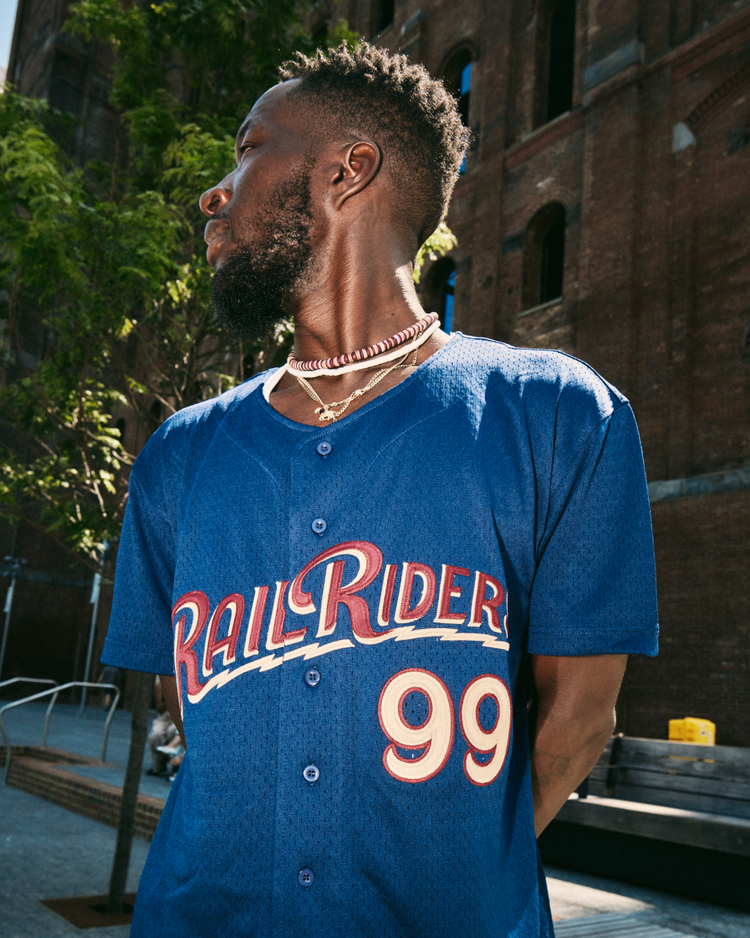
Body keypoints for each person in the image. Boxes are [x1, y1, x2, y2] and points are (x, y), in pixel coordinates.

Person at [101, 43, 658, 938]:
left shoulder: (560, 416)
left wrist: (451, 866)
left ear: (348, 170)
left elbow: (580, 718)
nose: (215, 191)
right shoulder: (178, 455)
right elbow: (186, 708)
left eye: (246, 150)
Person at [146, 676, 177, 776]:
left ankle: (175, 766)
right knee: (155, 735)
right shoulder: (160, 684)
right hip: (164, 716)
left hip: (180, 716)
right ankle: (158, 766)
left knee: (173, 731)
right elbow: (160, 709)